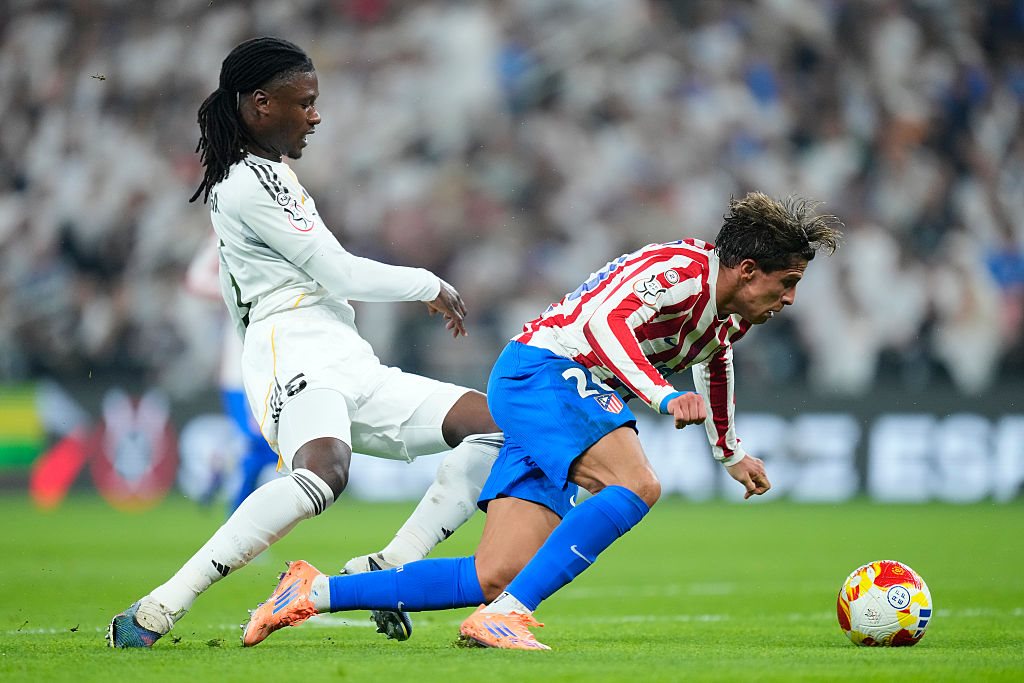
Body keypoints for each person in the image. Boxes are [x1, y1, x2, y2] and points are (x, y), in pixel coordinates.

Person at [240, 191, 842, 650]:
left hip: (560, 397)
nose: (790, 298)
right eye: (787, 282)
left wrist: (729, 450)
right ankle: (508, 616)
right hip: (546, 373)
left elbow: (716, 360)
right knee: (636, 483)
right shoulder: (679, 271)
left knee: (496, 572)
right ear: (746, 269)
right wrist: (661, 396)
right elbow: (605, 325)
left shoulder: (729, 315)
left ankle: (312, 591)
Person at [107, 36, 502, 648]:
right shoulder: (246, 183)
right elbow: (338, 272)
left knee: (495, 426)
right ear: (261, 104)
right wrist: (426, 283)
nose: (315, 116)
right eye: (305, 102)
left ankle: (389, 566)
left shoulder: (271, 175)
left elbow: (275, 284)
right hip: (293, 350)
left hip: (345, 353)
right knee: (323, 475)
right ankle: (160, 606)